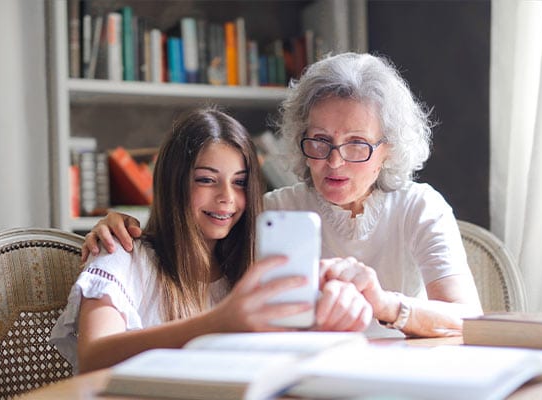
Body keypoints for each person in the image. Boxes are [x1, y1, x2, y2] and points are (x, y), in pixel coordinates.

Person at [83, 53, 484, 338]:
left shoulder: (419, 206)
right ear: (299, 139)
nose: (334, 162)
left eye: (357, 144)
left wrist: (384, 304)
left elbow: (468, 318)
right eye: (320, 141)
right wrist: (120, 225)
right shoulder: (272, 211)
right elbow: (190, 242)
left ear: (388, 150)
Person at [50, 107, 372, 373]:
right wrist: (218, 322)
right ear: (173, 183)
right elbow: (93, 356)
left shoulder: (250, 268)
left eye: (240, 183)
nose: (227, 198)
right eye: (206, 180)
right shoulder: (122, 254)